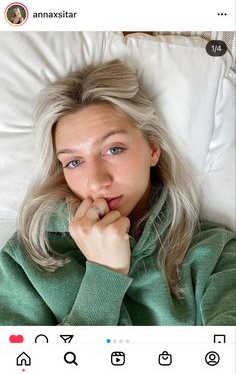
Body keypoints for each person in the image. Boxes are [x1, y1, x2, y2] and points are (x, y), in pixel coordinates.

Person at [0, 59, 235, 326]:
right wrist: (105, 277)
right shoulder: (25, 259)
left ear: (153, 149)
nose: (97, 181)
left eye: (114, 149)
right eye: (74, 162)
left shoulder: (215, 254)